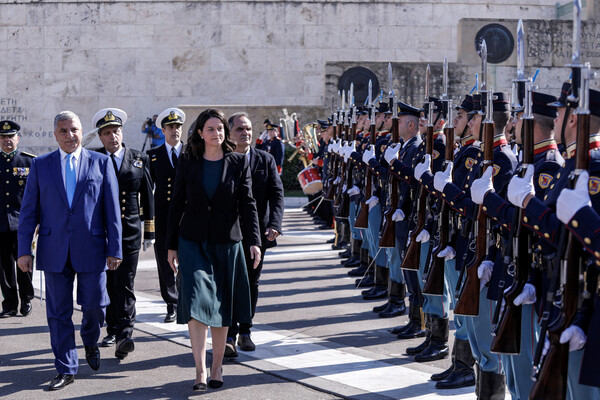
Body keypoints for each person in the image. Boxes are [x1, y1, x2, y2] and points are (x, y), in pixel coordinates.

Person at [17, 111, 122, 390]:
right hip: (54, 249)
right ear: (55, 134)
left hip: (93, 248)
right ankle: (66, 367)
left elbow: (112, 210)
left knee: (95, 306)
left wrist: (115, 249)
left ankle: (90, 340)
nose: (70, 135)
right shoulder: (41, 165)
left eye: (74, 129)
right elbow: (28, 212)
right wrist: (23, 251)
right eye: (63, 131)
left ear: (81, 131)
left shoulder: (101, 162)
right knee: (58, 312)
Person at [166, 108, 261, 391]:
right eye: (211, 129)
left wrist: (254, 240)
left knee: (221, 307)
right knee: (196, 303)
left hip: (226, 243)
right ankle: (199, 370)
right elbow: (176, 203)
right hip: (192, 241)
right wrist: (170, 245)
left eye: (220, 128)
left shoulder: (237, 162)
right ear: (200, 132)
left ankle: (217, 365)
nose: (216, 133)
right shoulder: (188, 161)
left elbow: (248, 203)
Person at [94, 108, 155, 359]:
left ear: (122, 132)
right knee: (108, 283)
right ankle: (112, 328)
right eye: (107, 133)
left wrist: (149, 230)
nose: (113, 137)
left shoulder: (138, 158)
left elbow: (148, 195)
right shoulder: (93, 159)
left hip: (129, 229)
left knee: (125, 283)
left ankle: (125, 333)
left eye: (116, 131)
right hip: (101, 232)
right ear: (100, 137)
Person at [225, 112, 284, 357]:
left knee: (251, 283)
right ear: (229, 133)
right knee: (227, 285)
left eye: (248, 129)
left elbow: (277, 194)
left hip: (257, 233)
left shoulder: (265, 159)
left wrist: (275, 224)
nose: (245, 133)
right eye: (239, 129)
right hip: (226, 234)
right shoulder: (223, 159)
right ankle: (227, 335)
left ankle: (245, 331)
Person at [147, 107, 185, 323]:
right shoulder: (152, 157)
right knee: (164, 262)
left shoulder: (191, 153)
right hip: (162, 218)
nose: (175, 130)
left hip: (187, 217)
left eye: (178, 126)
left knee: (186, 261)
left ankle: (185, 301)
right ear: (163, 130)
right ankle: (171, 303)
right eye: (171, 127)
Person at [0, 121, 35, 318]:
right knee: (4, 266)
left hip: (23, 223)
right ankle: (10, 304)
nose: (7, 141)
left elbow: (37, 195)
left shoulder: (29, 162)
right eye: (3, 137)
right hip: (1, 223)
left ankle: (26, 299)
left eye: (10, 137)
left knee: (25, 263)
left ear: (17, 139)